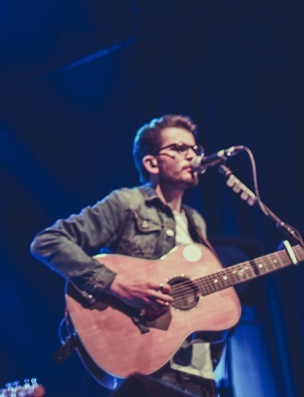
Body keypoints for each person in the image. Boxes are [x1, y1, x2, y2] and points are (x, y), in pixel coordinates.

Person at [30, 114, 225, 397]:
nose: (192, 155)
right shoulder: (128, 204)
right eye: (180, 148)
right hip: (148, 366)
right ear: (151, 162)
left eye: (195, 150)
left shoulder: (197, 222)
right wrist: (119, 286)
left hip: (199, 372)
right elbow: (47, 242)